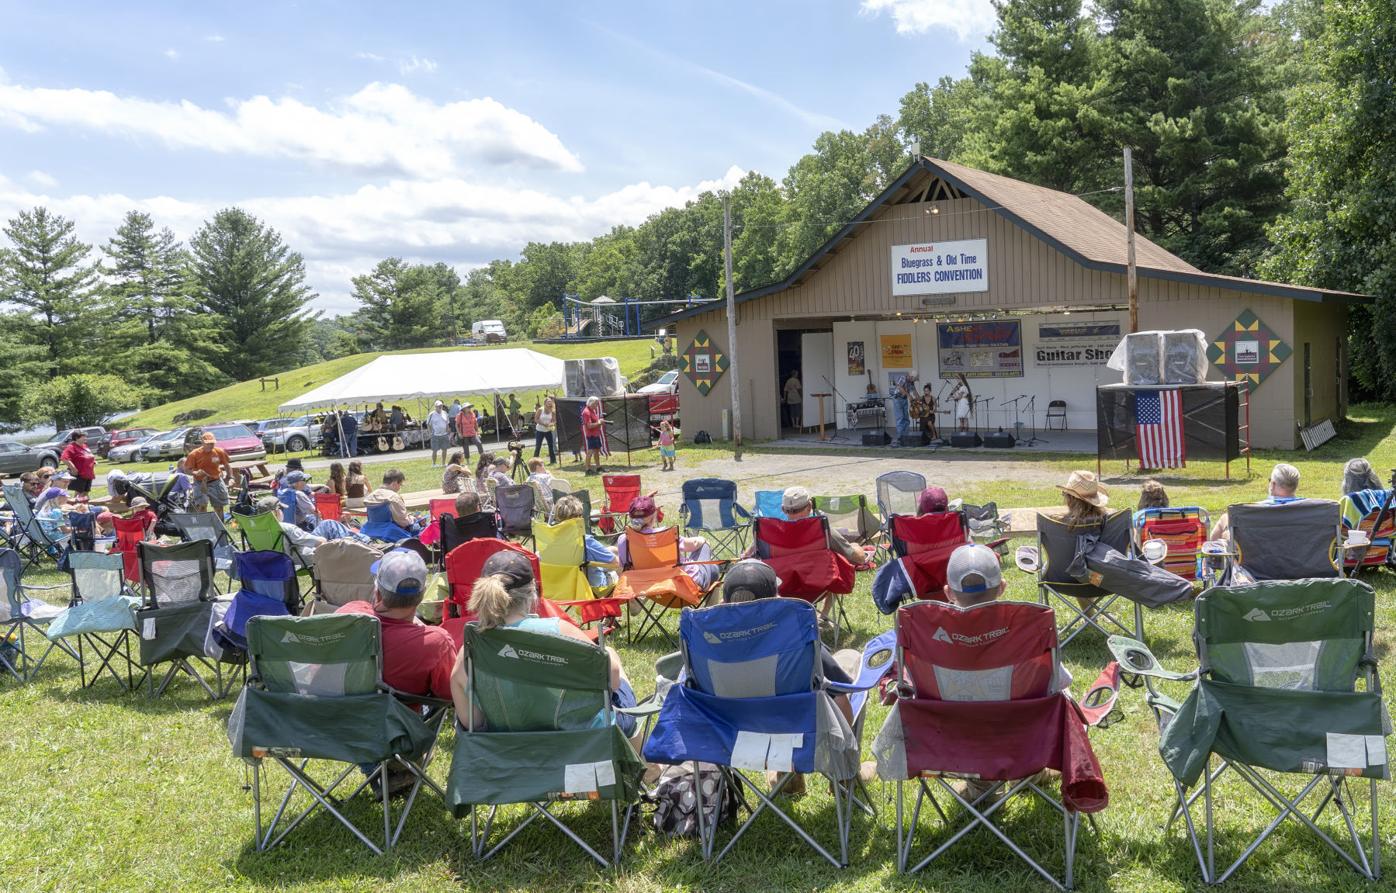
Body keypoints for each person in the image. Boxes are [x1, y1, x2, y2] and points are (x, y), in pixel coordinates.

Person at [720, 559, 874, 793]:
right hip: (803, 733)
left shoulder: (706, 645)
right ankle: (844, 777)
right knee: (851, 659)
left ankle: (786, 777)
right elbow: (840, 692)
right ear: (776, 600)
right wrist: (843, 749)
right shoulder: (794, 637)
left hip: (735, 736)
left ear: (724, 603)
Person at [449, 549, 638, 737]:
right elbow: (611, 681)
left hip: (508, 748)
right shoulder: (561, 632)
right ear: (533, 590)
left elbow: (473, 722)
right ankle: (647, 764)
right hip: (581, 740)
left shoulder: (472, 649)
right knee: (611, 655)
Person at [336, 548, 456, 698]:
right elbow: (448, 693)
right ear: (422, 595)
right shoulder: (435, 643)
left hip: (336, 710)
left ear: (378, 592)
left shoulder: (348, 613)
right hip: (395, 718)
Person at [617, 495, 718, 591]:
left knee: (713, 570)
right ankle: (711, 607)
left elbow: (624, 567)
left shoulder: (624, 540)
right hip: (683, 585)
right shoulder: (664, 535)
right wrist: (702, 539)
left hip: (647, 585)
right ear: (653, 516)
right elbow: (694, 544)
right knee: (705, 548)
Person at [776, 485, 872, 567]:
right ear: (810, 506)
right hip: (818, 580)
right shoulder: (821, 529)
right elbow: (856, 558)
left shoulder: (774, 533)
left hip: (786, 582)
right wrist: (856, 547)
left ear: (783, 509)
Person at [1210, 462, 1301, 540]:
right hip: (1297, 556)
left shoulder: (1254, 510)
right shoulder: (1309, 508)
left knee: (1225, 518)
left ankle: (1208, 559)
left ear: (1273, 484)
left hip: (1256, 556)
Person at [553, 495, 619, 591]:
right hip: (592, 588)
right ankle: (632, 601)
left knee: (613, 550)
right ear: (579, 518)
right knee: (624, 564)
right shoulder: (586, 542)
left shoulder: (551, 540)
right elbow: (616, 563)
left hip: (564, 588)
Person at [365, 468, 425, 536]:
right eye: (400, 485)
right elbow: (403, 522)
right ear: (395, 483)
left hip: (373, 529)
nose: (399, 488)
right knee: (421, 523)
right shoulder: (393, 497)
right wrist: (413, 518)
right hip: (392, 532)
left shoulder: (371, 495)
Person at [186, 432, 233, 514]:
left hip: (216, 481)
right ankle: (204, 525)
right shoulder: (194, 454)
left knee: (218, 507)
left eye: (212, 443)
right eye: (208, 444)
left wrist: (231, 477)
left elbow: (226, 465)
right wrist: (195, 472)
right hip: (200, 483)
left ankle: (220, 525)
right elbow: (187, 470)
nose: (210, 445)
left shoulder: (219, 451)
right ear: (202, 442)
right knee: (202, 506)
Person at [59, 431, 96, 499]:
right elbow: (64, 458)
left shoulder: (84, 446)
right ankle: (77, 507)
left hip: (88, 473)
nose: (85, 438)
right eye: (83, 436)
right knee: (79, 493)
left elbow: (88, 456)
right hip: (80, 474)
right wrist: (73, 468)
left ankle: (84, 506)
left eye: (85, 436)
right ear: (76, 438)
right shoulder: (71, 447)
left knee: (86, 492)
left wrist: (93, 461)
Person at [889, 369, 919, 447]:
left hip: (904, 399)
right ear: (911, 376)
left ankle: (906, 435)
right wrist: (909, 395)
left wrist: (919, 399)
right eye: (914, 379)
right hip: (897, 399)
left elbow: (914, 392)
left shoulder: (911, 382)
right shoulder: (903, 378)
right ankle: (900, 438)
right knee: (900, 418)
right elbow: (899, 387)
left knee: (906, 418)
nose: (914, 381)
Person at [581, 396, 606, 474]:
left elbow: (595, 421)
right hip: (591, 435)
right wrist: (599, 423)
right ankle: (587, 469)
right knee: (590, 452)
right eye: (596, 404)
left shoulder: (593, 410)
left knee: (596, 451)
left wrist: (599, 421)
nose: (597, 405)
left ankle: (598, 467)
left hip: (596, 434)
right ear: (591, 403)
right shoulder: (586, 412)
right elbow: (589, 426)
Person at [533, 396, 557, 465]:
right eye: (548, 402)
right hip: (539, 430)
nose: (549, 403)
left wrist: (551, 424)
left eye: (550, 402)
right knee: (538, 446)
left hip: (548, 431)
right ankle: (534, 461)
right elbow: (536, 419)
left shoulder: (553, 411)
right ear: (545, 403)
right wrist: (543, 424)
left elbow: (554, 420)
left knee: (551, 446)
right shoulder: (540, 409)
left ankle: (553, 461)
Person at [427, 400, 452, 467]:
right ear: (435, 407)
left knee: (445, 449)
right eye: (438, 406)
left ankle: (443, 463)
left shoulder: (445, 413)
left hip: (444, 434)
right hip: (435, 435)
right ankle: (434, 464)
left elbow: (447, 423)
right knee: (435, 450)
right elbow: (428, 424)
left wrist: (447, 431)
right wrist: (430, 433)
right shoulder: (431, 414)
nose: (440, 407)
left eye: (441, 406)